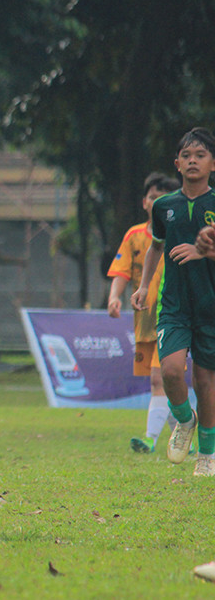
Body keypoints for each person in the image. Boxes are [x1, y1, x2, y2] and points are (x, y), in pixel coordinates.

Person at [132, 127, 215, 477]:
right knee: (169, 371)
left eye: (201, 155)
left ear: (213, 163)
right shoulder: (164, 207)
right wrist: (143, 286)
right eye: (186, 155)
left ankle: (207, 454)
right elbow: (155, 246)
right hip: (174, 306)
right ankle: (184, 419)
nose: (193, 160)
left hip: (210, 307)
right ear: (177, 163)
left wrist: (203, 251)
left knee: (205, 382)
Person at [107, 172, 180, 453]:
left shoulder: (180, 234)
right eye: (152, 197)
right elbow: (122, 270)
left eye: (163, 197)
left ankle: (150, 439)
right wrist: (114, 297)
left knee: (159, 379)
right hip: (144, 321)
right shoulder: (134, 236)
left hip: (173, 318)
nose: (156, 202)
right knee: (166, 384)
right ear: (144, 202)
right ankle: (183, 435)